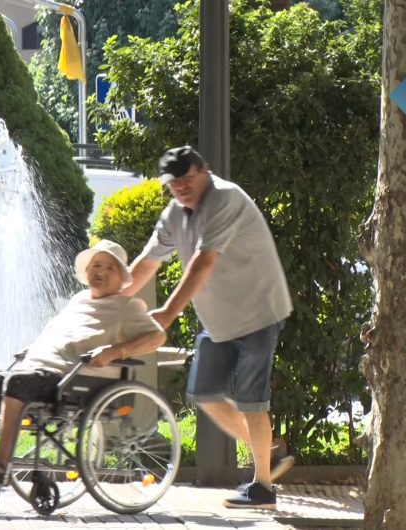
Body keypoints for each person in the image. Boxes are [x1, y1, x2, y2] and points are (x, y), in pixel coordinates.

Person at [123, 146, 293, 510]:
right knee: (205, 393)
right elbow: (148, 262)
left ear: (203, 171)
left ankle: (263, 487)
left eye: (187, 178)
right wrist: (112, 298)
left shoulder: (225, 199)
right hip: (219, 319)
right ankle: (270, 456)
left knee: (251, 401)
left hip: (257, 312)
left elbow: (202, 264)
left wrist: (167, 313)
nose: (181, 187)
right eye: (173, 183)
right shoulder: (173, 215)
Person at [0, 239, 165, 480]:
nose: (100, 271)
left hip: (70, 378)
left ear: (122, 277)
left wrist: (114, 352)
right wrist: (34, 347)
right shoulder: (79, 300)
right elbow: (56, 331)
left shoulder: (128, 307)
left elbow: (156, 336)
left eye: (109, 267)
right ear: (86, 271)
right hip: (38, 369)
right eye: (96, 265)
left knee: (17, 383)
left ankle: (0, 465)